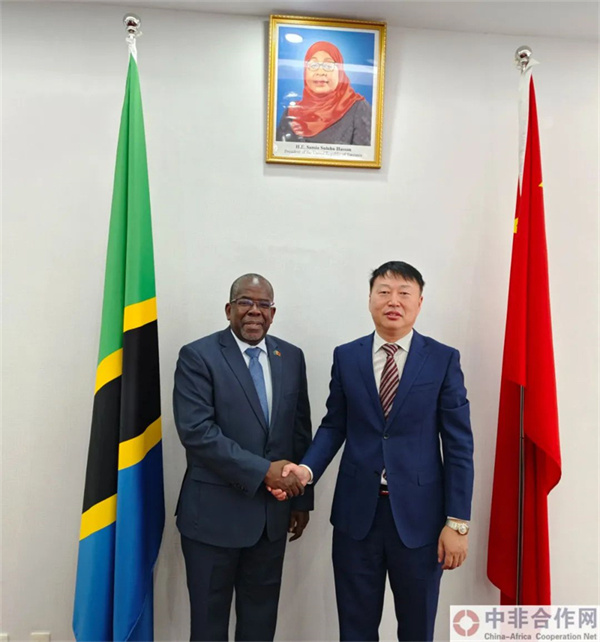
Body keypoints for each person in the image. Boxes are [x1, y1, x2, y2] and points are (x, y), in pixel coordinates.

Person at [272, 261, 474, 642]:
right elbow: (334, 425)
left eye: (404, 293)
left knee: (417, 629)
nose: (393, 301)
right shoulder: (347, 357)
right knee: (356, 630)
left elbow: (459, 445)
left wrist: (457, 521)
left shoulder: (443, 359)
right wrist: (306, 470)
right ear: (370, 299)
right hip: (357, 517)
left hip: (420, 520)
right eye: (384, 292)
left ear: (419, 302)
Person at [173, 273, 313, 642]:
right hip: (212, 520)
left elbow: (300, 430)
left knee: (259, 626)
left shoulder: (291, 357)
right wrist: (264, 471)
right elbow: (197, 433)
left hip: (271, 520)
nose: (254, 311)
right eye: (245, 302)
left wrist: (302, 500)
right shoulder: (198, 355)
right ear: (228, 309)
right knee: (208, 627)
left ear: (273, 313)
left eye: (263, 304)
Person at [276, 40, 372, 146]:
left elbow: (364, 154)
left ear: (340, 72)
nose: (320, 72)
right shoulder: (292, 112)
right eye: (313, 65)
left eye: (328, 66)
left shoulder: (358, 108)